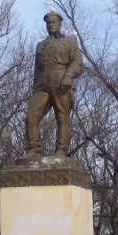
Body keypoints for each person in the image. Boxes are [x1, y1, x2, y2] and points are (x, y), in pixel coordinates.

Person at [25, 8, 84, 158]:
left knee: (62, 117)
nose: (51, 25)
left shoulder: (69, 42)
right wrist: (34, 87)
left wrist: (68, 76)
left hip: (61, 83)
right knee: (31, 117)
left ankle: (61, 150)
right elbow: (36, 70)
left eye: (54, 22)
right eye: (48, 23)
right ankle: (34, 149)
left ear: (59, 23)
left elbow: (78, 63)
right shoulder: (40, 45)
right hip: (42, 85)